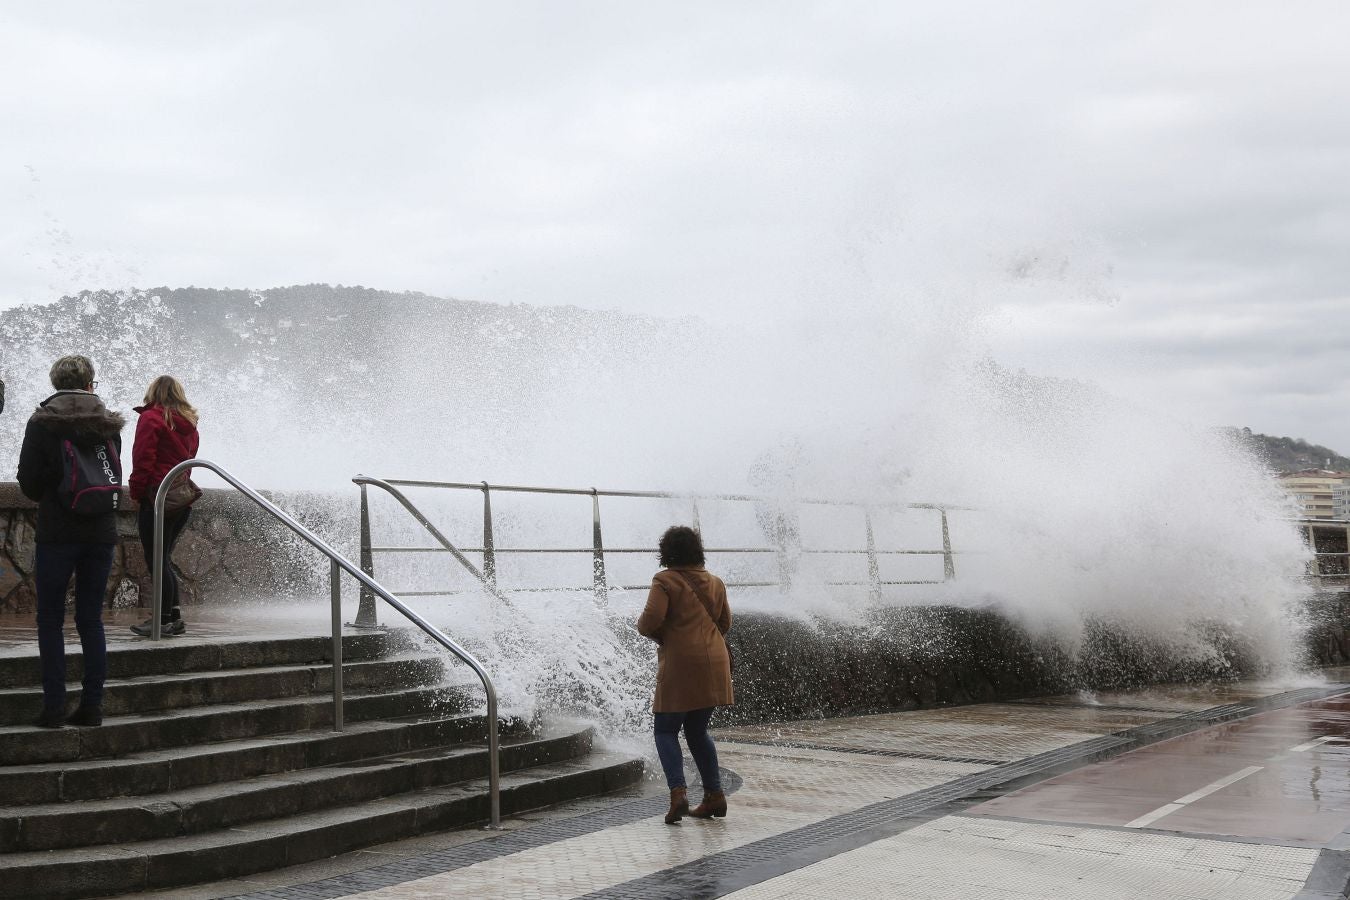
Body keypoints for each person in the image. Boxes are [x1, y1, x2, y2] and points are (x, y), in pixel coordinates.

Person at [16, 355, 125, 728]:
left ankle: (54, 708)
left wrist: (55, 484)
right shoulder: (108, 423)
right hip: (101, 531)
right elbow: (112, 472)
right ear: (90, 383)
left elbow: (29, 483)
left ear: (55, 383)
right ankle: (92, 706)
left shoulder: (42, 423)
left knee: (50, 618)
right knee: (90, 619)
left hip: (58, 533)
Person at [636, 525, 734, 824]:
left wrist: (658, 633)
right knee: (697, 730)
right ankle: (715, 795)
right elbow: (725, 623)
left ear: (666, 552)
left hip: (681, 662)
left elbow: (650, 620)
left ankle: (678, 794)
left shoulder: (664, 580)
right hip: (714, 662)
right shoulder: (715, 582)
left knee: (665, 730)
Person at [127, 375, 200, 637]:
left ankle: (162, 620)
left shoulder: (151, 418)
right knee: (163, 560)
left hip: (157, 499)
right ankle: (174, 617)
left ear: (153, 393)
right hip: (179, 499)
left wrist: (136, 493)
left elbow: (143, 459)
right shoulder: (190, 424)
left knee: (156, 560)